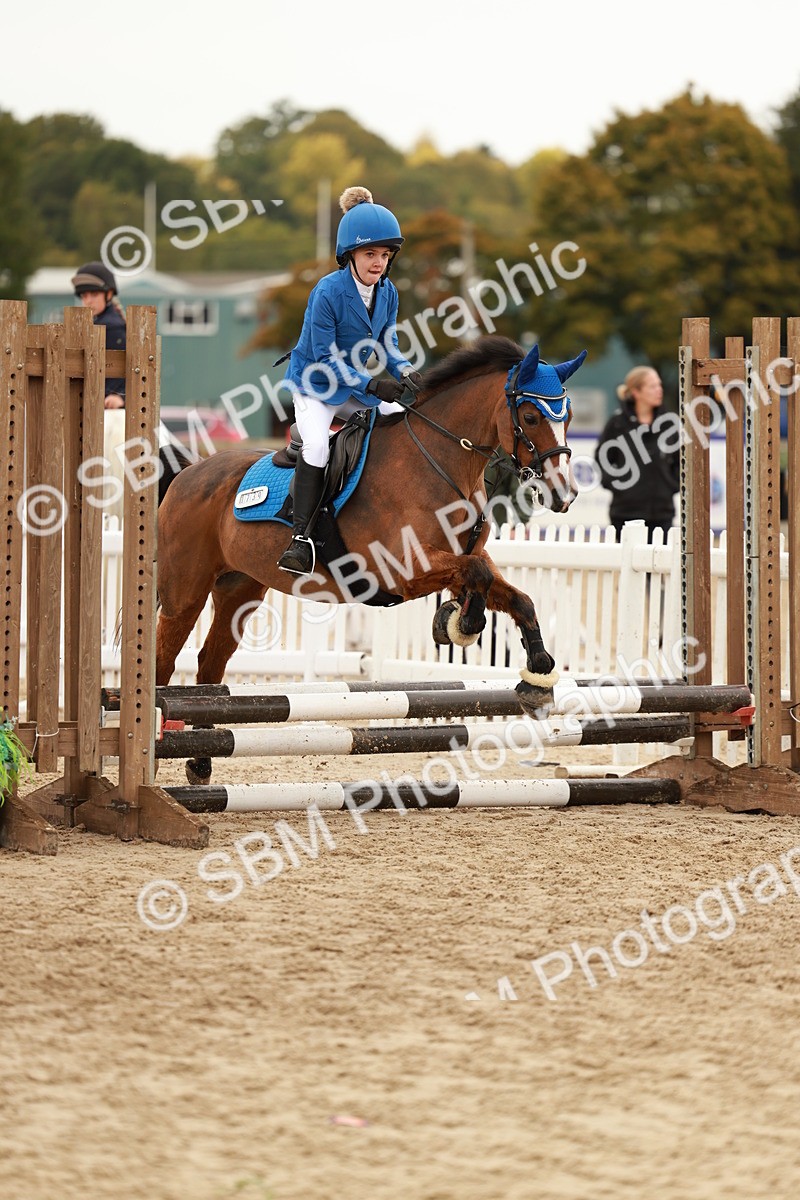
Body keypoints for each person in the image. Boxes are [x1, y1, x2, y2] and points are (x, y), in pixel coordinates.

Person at [277, 186, 422, 576]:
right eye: (370, 254)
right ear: (350, 255)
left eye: (384, 255)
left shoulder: (387, 292)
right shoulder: (327, 292)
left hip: (352, 386)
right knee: (318, 450)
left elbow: (387, 341)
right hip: (315, 387)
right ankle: (300, 538)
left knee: (400, 419)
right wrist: (373, 386)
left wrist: (406, 370)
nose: (378, 263)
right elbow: (324, 360)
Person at [594, 366, 680, 541]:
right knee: (630, 566)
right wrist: (618, 487)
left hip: (662, 512)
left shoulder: (669, 423)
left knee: (659, 566)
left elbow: (681, 461)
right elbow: (602, 460)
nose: (659, 390)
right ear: (636, 392)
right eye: (653, 386)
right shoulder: (617, 424)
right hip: (625, 512)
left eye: (660, 385)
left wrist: (671, 485)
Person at [70, 261, 127, 407]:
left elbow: (128, 367)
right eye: (84, 295)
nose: (88, 301)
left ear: (108, 294)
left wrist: (120, 396)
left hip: (109, 407)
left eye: (94, 294)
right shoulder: (97, 322)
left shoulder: (112, 327)